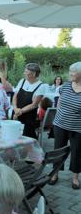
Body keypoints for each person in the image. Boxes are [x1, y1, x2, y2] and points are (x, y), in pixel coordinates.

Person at [50, 62, 81, 190]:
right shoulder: (65, 86)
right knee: (58, 150)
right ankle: (55, 174)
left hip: (77, 128)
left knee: (77, 152)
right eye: (70, 71)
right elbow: (59, 104)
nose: (70, 74)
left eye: (73, 72)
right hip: (60, 124)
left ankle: (75, 178)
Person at [12, 63, 46, 138]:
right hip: (16, 112)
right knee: (13, 135)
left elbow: (34, 104)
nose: (24, 73)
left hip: (28, 117)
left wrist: (20, 111)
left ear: (33, 74)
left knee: (26, 137)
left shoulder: (41, 86)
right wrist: (15, 108)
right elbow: (15, 96)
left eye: (26, 72)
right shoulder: (22, 81)